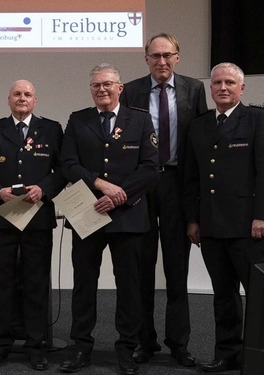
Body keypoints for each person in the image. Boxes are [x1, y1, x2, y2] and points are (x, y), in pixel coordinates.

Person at [58, 64, 158, 375]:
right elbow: (68, 164)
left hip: (128, 214)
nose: (102, 90)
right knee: (84, 283)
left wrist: (120, 194)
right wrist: (101, 185)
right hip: (86, 212)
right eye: (96, 86)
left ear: (120, 87)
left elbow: (150, 166)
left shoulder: (140, 120)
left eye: (108, 84)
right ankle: (81, 346)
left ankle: (127, 349)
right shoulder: (78, 120)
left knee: (128, 284)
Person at [120, 33, 207, 367]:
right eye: (155, 56)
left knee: (176, 268)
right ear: (146, 59)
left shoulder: (194, 90)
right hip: (141, 185)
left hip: (175, 184)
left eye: (167, 55)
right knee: (140, 269)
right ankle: (145, 341)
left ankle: (179, 343)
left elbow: (197, 144)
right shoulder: (131, 90)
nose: (161, 61)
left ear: (178, 57)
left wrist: (195, 204)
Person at [0, 79, 66, 371]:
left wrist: (45, 188)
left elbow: (62, 170)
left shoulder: (51, 129)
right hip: (3, 216)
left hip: (37, 216)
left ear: (35, 100)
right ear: (8, 99)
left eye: (27, 94)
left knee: (36, 283)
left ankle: (36, 346)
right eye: (17, 94)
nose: (22, 98)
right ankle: (0, 344)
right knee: (1, 283)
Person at [183, 62, 264, 372]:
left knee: (258, 294)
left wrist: (261, 216)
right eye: (217, 83)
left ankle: (258, 354)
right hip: (211, 225)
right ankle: (227, 353)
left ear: (241, 88)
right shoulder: (200, 125)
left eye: (230, 82)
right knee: (223, 295)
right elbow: (192, 177)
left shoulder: (256, 119)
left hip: (248, 225)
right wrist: (193, 219)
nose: (223, 87)